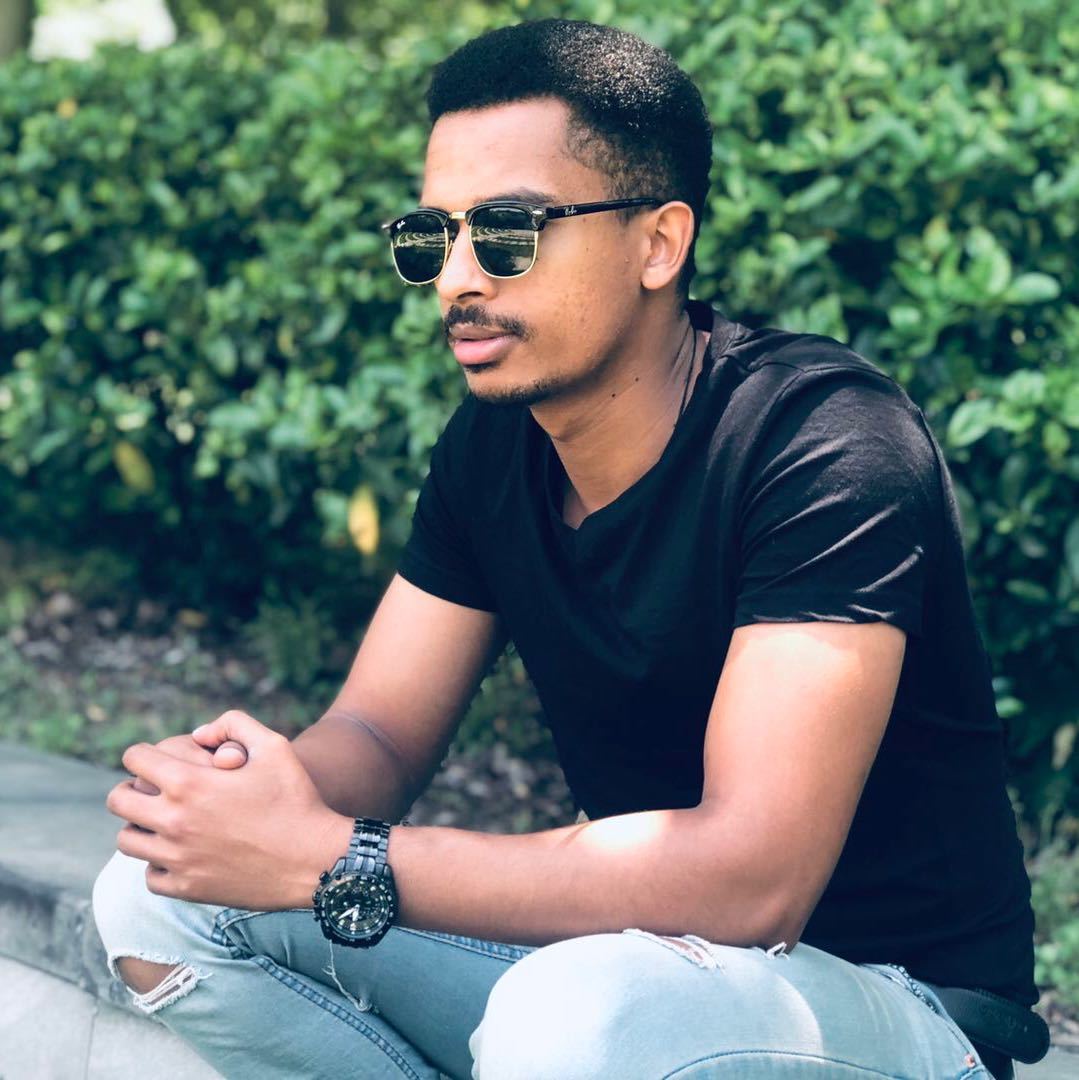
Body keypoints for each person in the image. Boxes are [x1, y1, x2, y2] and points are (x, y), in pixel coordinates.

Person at [91, 18, 1039, 1080]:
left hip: (889, 1010)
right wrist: (244, 810)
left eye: (507, 231)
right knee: (157, 898)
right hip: (631, 977)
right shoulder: (495, 446)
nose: (457, 279)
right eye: (432, 236)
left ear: (657, 243)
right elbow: (378, 733)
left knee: (578, 1010)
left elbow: (750, 882)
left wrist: (331, 855)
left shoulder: (821, 441)